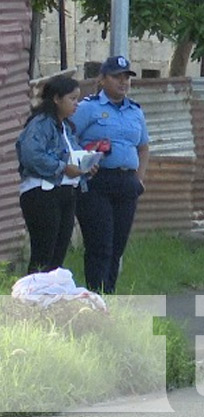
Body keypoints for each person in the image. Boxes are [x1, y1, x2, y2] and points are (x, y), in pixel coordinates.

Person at [71, 55, 150, 293]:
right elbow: (68, 138)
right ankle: (95, 296)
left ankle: (109, 297)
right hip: (96, 182)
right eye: (117, 77)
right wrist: (82, 161)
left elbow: (143, 146)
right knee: (100, 245)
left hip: (126, 182)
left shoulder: (135, 111)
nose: (123, 82)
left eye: (127, 77)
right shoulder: (88, 108)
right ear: (103, 79)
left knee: (117, 247)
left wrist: (139, 179)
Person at [15, 75, 95, 275]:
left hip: (65, 192)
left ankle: (49, 299)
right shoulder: (40, 124)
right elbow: (31, 155)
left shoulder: (67, 127)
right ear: (57, 99)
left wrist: (86, 167)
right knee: (43, 252)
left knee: (58, 254)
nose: (76, 104)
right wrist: (62, 167)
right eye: (72, 98)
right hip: (42, 193)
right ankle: (33, 299)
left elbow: (73, 156)